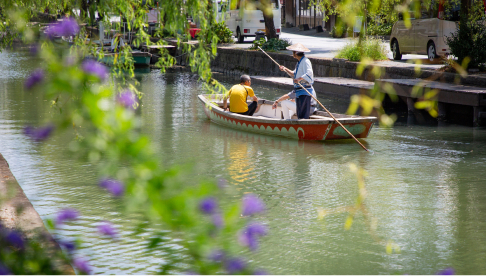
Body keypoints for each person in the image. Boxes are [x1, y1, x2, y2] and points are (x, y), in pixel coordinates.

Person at [272, 43, 317, 119]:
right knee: (300, 112)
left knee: (302, 114)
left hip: (304, 91)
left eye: (293, 51)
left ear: (295, 52)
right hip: (300, 91)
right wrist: (285, 69)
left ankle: (289, 122)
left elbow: (309, 73)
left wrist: (299, 79)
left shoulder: (306, 61)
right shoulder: (299, 62)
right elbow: (294, 73)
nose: (292, 53)